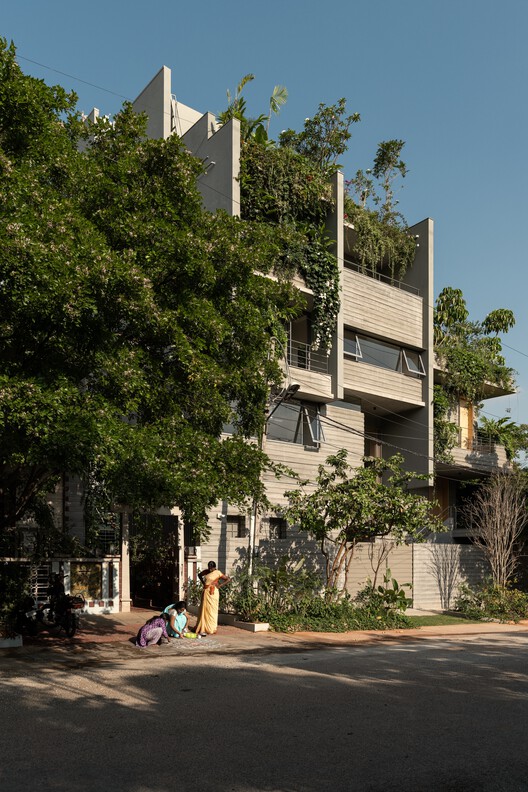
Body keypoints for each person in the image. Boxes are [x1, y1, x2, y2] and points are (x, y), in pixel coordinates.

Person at [194, 561, 230, 636]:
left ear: (214, 567)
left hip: (213, 592)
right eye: (209, 568)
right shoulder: (206, 571)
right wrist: (203, 583)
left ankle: (211, 628)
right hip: (206, 592)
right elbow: (199, 575)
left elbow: (228, 579)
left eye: (211, 568)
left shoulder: (218, 572)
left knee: (212, 610)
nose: (210, 569)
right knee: (204, 609)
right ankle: (203, 627)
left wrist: (220, 585)